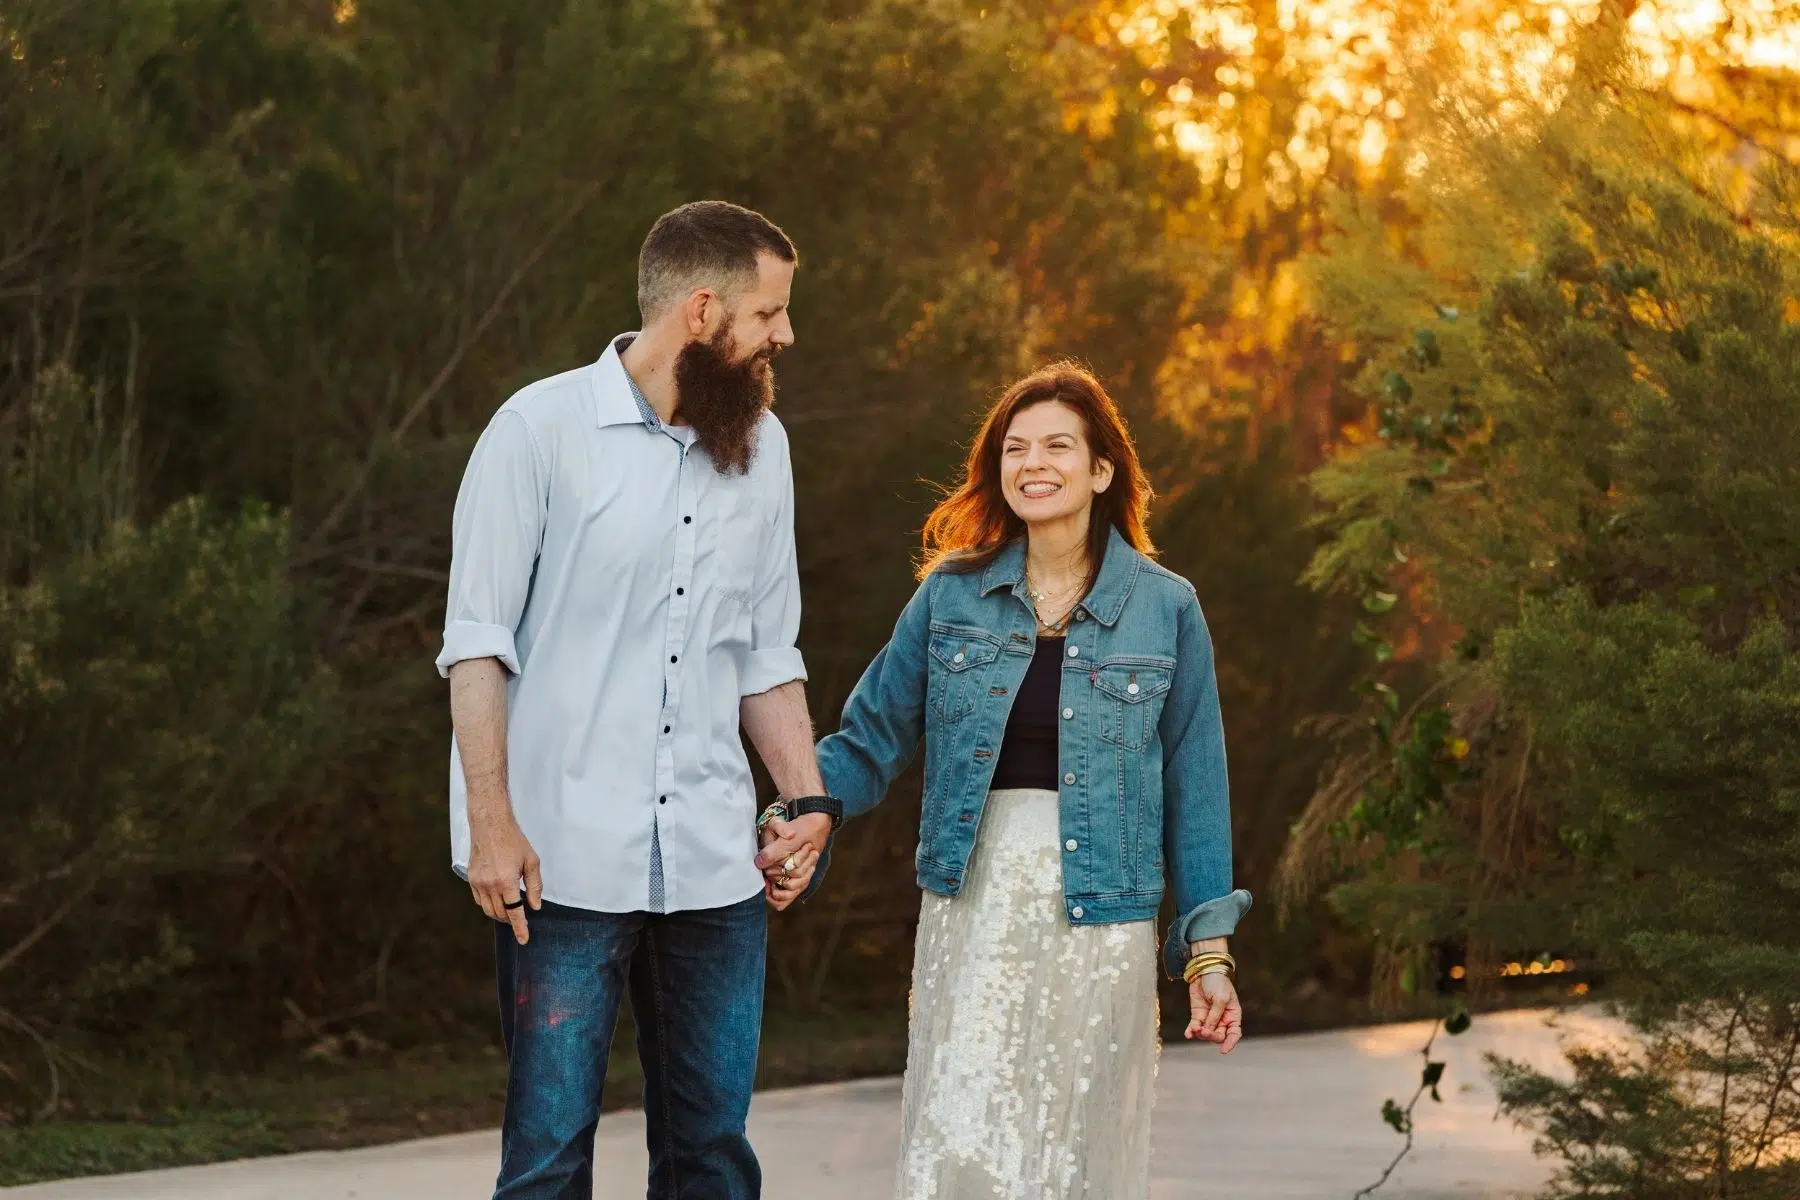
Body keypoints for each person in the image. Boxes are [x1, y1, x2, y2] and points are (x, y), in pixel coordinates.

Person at [436, 200, 831, 1200]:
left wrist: (805, 798)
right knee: (546, 1161)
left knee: (712, 1158)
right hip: (560, 863)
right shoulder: (538, 430)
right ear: (701, 311)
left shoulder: (765, 449)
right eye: (768, 312)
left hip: (713, 864)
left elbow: (765, 651)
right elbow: (477, 645)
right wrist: (490, 824)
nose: (785, 334)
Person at [807, 362, 1251, 1199]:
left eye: (1057, 446)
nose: (1033, 464)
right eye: (1015, 448)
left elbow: (1197, 788)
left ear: (1102, 470)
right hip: (974, 903)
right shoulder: (951, 596)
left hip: (1103, 915)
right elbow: (869, 739)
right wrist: (805, 809)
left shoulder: (1166, 608)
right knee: (963, 1134)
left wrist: (1208, 956)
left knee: (1074, 1142)